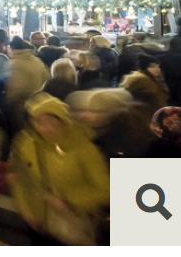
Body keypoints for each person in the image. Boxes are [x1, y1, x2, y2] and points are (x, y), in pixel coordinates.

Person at [10, 93, 109, 245]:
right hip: (38, 223)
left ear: (63, 120)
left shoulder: (83, 148)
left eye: (52, 120)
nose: (46, 127)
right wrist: (27, 211)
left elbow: (105, 190)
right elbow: (19, 178)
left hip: (70, 224)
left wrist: (67, 199)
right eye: (39, 122)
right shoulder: (26, 143)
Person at [121, 54, 170, 127]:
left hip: (154, 117)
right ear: (144, 68)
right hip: (145, 120)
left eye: (158, 66)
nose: (157, 69)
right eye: (152, 66)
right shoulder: (140, 80)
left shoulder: (154, 79)